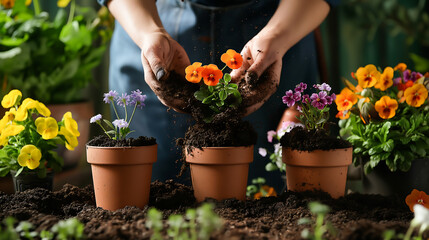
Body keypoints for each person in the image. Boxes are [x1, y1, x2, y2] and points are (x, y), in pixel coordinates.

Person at [97, 0, 337, 191]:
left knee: (272, 192)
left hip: (282, 25)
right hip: (148, 21)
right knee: (154, 192)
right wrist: (150, 32)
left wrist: (276, 36)